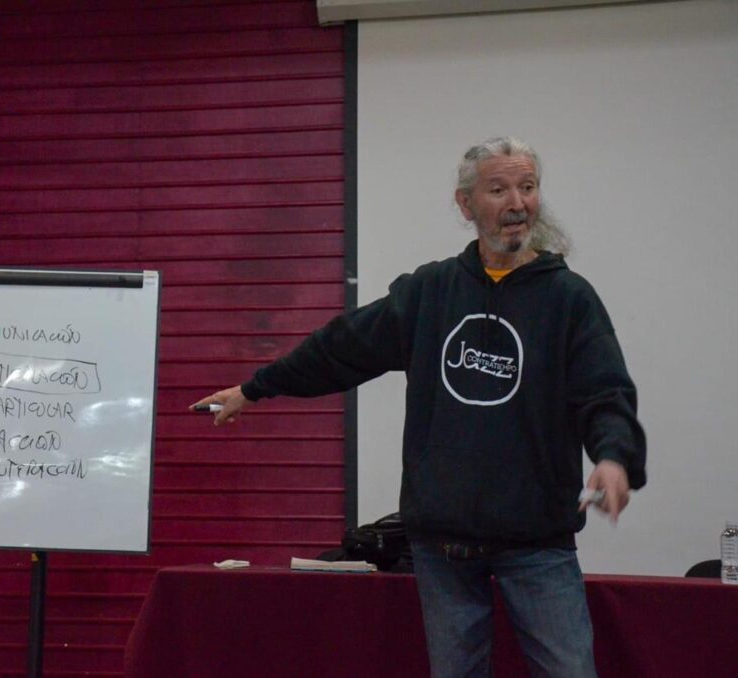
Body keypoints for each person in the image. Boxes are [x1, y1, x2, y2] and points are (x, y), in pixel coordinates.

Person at [191, 137, 646, 678]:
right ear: (465, 204)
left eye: (527, 187)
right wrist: (255, 388)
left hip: (537, 541)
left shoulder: (569, 299)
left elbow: (605, 392)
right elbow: (342, 347)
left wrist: (614, 457)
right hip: (443, 543)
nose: (517, 203)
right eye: (498, 189)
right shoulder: (431, 292)